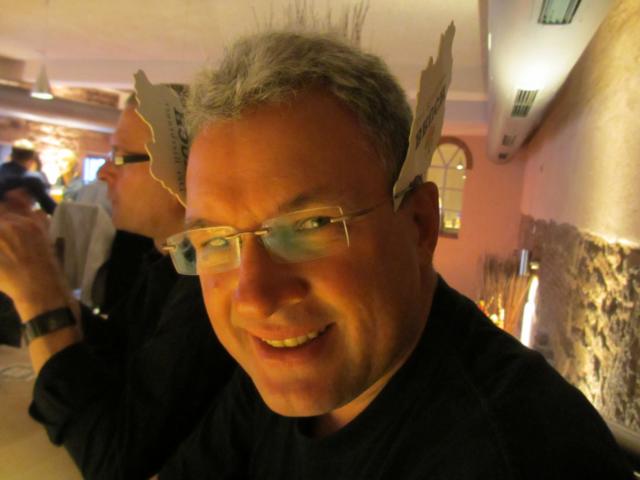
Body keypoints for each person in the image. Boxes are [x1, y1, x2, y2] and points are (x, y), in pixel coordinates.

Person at [157, 30, 633, 479]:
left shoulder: (514, 456)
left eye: (310, 225)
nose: (255, 300)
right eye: (216, 242)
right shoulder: (282, 365)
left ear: (419, 224)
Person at [0, 94, 235, 479]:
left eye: (120, 157)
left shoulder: (213, 286)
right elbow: (118, 354)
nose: (103, 174)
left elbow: (117, 461)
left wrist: (40, 301)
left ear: (185, 170)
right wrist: (37, 277)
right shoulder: (168, 262)